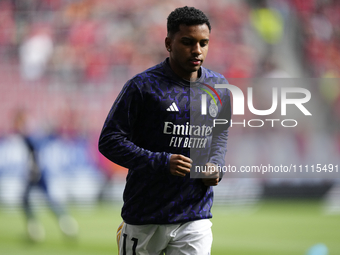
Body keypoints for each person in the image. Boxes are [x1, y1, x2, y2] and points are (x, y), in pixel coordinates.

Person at [98, 6, 231, 254]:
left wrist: (216, 165)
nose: (197, 50)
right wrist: (161, 161)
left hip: (195, 214)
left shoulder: (218, 86)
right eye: (188, 42)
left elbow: (219, 135)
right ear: (169, 43)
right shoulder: (142, 86)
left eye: (204, 43)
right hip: (145, 214)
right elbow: (109, 140)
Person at [12, 109, 78, 242]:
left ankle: (36, 230)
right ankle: (66, 224)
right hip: (38, 170)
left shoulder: (28, 133)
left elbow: (34, 146)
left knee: (27, 200)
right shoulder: (32, 132)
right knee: (43, 199)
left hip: (35, 171)